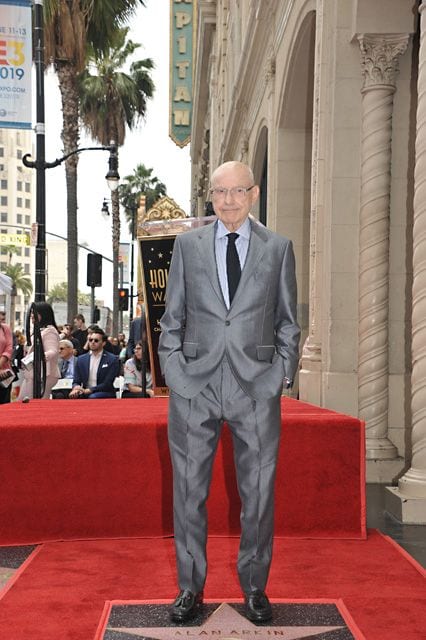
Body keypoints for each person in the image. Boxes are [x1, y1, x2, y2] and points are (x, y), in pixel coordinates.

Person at [158, 161, 300, 624]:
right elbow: (171, 318)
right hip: (194, 386)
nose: (228, 201)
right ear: (211, 197)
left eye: (237, 191)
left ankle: (255, 586)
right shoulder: (187, 245)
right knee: (187, 491)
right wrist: (175, 374)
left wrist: (280, 375)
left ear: (254, 194)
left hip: (255, 387)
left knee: (258, 493)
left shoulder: (278, 248)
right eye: (220, 192)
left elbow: (287, 323)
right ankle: (188, 588)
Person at [18, 302, 60, 400]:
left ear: (43, 314)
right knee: (23, 402)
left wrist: (37, 358)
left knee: (34, 405)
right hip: (34, 374)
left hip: (43, 375)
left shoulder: (49, 331)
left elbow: (52, 351)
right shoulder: (39, 330)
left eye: (35, 313)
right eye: (31, 313)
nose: (32, 315)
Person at [70, 326, 120, 399]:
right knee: (70, 396)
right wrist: (76, 388)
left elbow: (107, 383)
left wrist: (90, 390)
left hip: (105, 392)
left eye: (96, 340)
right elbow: (76, 380)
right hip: (84, 391)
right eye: (90, 340)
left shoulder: (112, 359)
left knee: (93, 397)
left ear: (103, 343)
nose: (92, 342)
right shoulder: (81, 359)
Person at [0, 309, 13, 404]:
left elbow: (9, 348)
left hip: (4, 374)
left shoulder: (5, 328)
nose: (2, 317)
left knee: (5, 404)